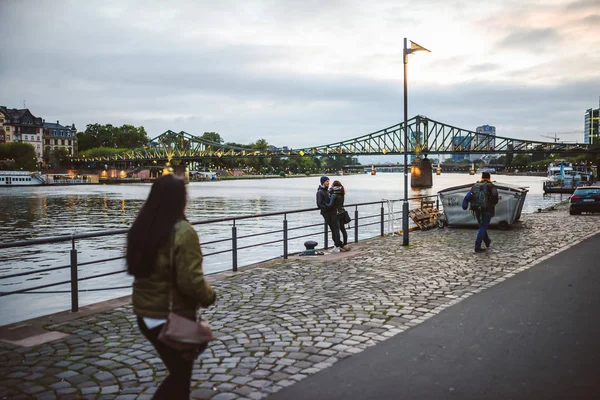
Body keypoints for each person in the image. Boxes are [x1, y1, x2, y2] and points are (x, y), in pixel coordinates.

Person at [126, 174, 216, 399]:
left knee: (179, 374)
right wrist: (209, 296)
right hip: (169, 316)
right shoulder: (183, 231)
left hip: (145, 316)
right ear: (180, 200)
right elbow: (191, 281)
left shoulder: (142, 226)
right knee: (180, 378)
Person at [462, 171, 499, 253]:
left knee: (482, 226)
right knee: (483, 227)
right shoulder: (491, 186)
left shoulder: (475, 185)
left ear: (481, 177)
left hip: (477, 209)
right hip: (487, 209)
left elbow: (469, 195)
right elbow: (495, 198)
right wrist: (492, 204)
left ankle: (487, 241)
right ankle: (477, 247)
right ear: (489, 178)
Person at [316, 176, 346, 252]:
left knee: (335, 229)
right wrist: (328, 206)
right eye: (326, 181)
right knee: (334, 229)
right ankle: (338, 245)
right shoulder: (320, 192)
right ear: (322, 182)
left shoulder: (327, 191)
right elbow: (319, 204)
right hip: (327, 213)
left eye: (328, 181)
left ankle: (338, 245)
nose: (328, 183)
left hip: (332, 213)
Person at [329, 180, 350, 250]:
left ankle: (337, 245)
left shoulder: (333, 193)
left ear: (333, 185)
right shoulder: (342, 192)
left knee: (336, 230)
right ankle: (345, 244)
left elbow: (331, 204)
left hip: (336, 213)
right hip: (342, 212)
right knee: (343, 229)